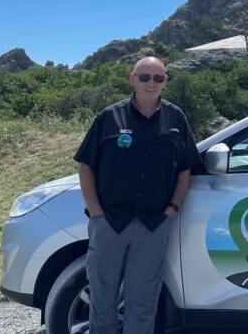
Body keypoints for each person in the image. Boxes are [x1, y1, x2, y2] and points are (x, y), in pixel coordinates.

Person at [74, 56, 201, 333]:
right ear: (133, 79)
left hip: (152, 225)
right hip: (110, 223)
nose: (151, 83)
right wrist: (96, 214)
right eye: (144, 77)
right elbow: (86, 165)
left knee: (143, 304)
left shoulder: (175, 118)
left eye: (158, 78)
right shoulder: (110, 117)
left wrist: (172, 210)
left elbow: (185, 169)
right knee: (103, 302)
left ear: (165, 82)